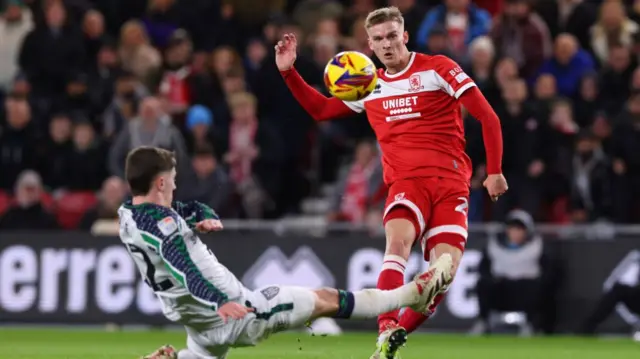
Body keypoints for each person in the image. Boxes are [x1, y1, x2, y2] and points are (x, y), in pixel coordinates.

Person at [275, 6, 507, 359]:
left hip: (450, 184)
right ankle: (385, 330)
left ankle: (394, 337)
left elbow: (487, 116)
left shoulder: (438, 68)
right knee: (397, 246)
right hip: (405, 184)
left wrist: (494, 170)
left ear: (405, 36)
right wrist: (289, 72)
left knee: (442, 277)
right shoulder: (368, 85)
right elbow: (322, 111)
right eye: (379, 39)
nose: (386, 45)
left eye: (392, 36)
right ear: (368, 44)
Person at [118, 146, 453, 359]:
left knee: (201, 353)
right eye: (172, 179)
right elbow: (183, 267)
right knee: (326, 300)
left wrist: (200, 213)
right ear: (160, 183)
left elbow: (177, 210)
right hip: (238, 314)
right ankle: (413, 293)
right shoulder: (163, 227)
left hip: (198, 325)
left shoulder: (129, 214)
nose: (175, 185)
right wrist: (219, 300)